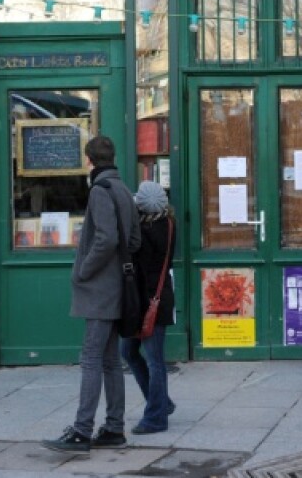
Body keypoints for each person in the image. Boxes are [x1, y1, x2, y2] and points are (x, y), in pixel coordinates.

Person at [43, 136, 141, 453]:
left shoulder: (100, 190)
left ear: (89, 160)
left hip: (100, 290)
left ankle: (82, 431)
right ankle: (113, 428)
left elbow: (106, 238)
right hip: (118, 288)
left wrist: (84, 269)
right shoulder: (124, 189)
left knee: (90, 359)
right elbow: (134, 240)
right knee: (111, 362)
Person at [120, 181, 177, 434]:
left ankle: (156, 417)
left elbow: (135, 264)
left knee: (152, 360)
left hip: (147, 302)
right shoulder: (168, 224)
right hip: (160, 298)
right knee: (131, 352)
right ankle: (161, 402)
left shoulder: (144, 232)